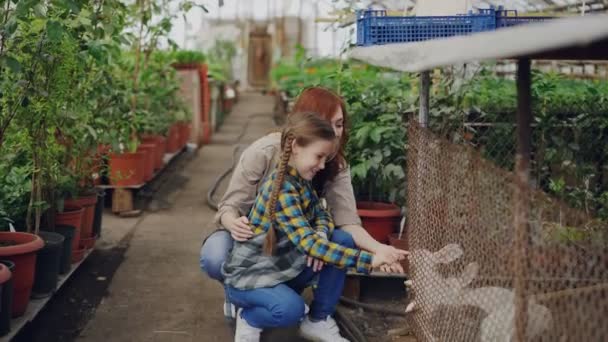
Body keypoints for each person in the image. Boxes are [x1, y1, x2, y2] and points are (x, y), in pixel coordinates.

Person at [200, 86, 406, 322]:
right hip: (249, 237)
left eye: (339, 124)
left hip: (293, 237)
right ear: (307, 124)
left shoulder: (331, 164)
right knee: (216, 257)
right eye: (328, 125)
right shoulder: (266, 153)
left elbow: (342, 220)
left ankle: (315, 318)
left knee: (341, 240)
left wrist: (377, 249)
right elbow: (229, 205)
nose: (336, 133)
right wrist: (234, 223)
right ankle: (244, 293)